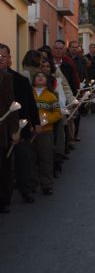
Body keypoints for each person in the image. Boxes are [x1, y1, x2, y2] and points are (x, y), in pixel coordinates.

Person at [0, 43, 41, 204]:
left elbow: (31, 103)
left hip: (21, 127)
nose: (1, 59)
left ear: (10, 59)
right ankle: (5, 198)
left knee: (24, 161)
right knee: (4, 166)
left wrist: (36, 123)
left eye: (4, 56)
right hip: (2, 129)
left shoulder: (21, 80)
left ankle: (26, 191)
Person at [31, 72, 62, 195]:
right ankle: (31, 184)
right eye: (37, 76)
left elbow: (57, 113)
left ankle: (46, 184)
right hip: (31, 131)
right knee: (31, 159)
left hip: (46, 132)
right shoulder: (29, 95)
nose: (40, 77)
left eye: (43, 76)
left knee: (46, 158)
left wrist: (45, 120)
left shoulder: (51, 96)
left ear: (46, 80)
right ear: (34, 80)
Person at [0, 70, 19, 213]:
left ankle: (3, 199)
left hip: (2, 127)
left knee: (3, 164)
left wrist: (14, 130)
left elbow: (10, 102)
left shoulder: (6, 77)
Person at [84, 43, 95, 114]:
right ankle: (86, 108)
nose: (93, 49)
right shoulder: (85, 56)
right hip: (88, 77)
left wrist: (91, 63)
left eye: (94, 47)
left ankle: (93, 109)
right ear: (89, 48)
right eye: (92, 47)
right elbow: (85, 64)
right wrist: (94, 64)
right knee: (87, 94)